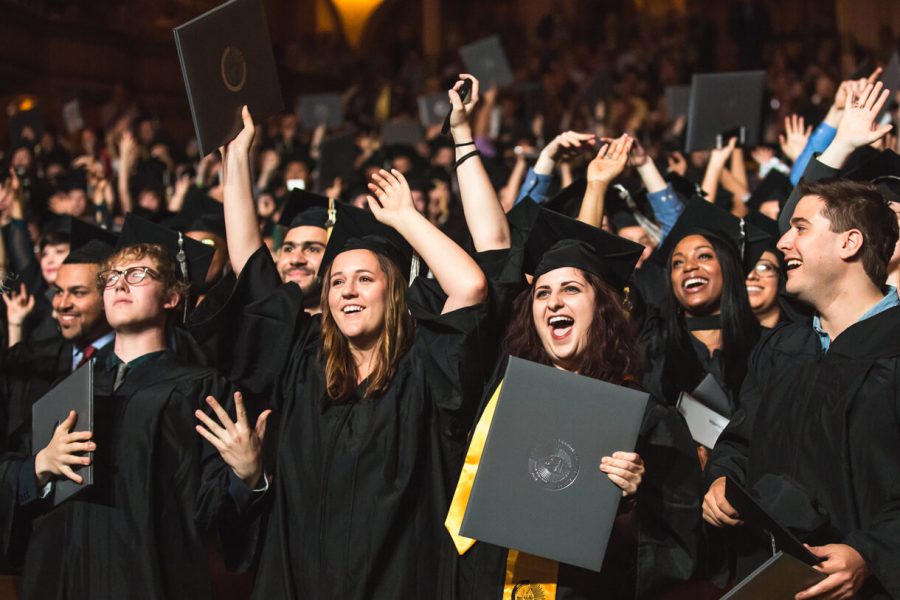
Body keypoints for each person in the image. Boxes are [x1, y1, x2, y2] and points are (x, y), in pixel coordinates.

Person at [192, 106, 489, 599]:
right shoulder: (303, 361)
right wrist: (238, 156)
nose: (348, 291)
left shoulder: (422, 368)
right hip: (301, 580)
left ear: (392, 293)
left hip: (398, 582)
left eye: (365, 279)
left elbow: (471, 285)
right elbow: (251, 265)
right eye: (337, 282)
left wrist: (406, 219)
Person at [444, 207, 700, 599]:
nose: (553, 302)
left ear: (602, 308)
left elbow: (672, 555)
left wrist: (633, 503)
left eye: (571, 289)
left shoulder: (647, 419)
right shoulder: (506, 395)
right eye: (542, 292)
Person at [0, 215, 243, 599]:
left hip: (147, 580)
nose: (120, 284)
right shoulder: (70, 389)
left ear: (171, 296)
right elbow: (18, 484)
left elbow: (214, 507)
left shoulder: (200, 389)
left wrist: (247, 476)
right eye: (111, 278)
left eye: (139, 274)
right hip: (65, 579)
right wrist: (39, 468)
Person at [703, 177, 900, 599]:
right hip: (766, 579)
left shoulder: (894, 348)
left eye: (800, 227)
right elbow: (739, 442)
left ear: (849, 243)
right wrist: (721, 481)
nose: (783, 243)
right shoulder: (782, 348)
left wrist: (870, 554)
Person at [639, 199, 770, 414]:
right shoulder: (651, 350)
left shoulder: (768, 348)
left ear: (729, 268)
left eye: (704, 256)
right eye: (677, 262)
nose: (689, 266)